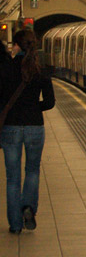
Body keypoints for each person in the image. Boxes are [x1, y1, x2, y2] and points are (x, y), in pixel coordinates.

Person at [0, 29, 55, 234]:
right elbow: (50, 102)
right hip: (34, 128)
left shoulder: (5, 68)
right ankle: (28, 208)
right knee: (32, 171)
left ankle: (15, 225)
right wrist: (33, 108)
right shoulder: (41, 71)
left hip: (11, 128)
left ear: (15, 46)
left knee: (12, 177)